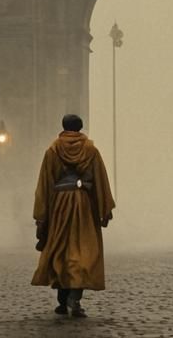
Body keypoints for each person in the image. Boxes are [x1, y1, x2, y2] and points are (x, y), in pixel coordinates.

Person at [31, 113, 115, 319]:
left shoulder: (53, 149)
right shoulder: (90, 150)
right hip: (83, 203)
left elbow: (45, 182)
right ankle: (74, 298)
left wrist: (42, 214)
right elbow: (100, 179)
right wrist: (104, 208)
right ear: (81, 127)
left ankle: (63, 298)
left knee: (61, 248)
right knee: (83, 250)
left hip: (60, 203)